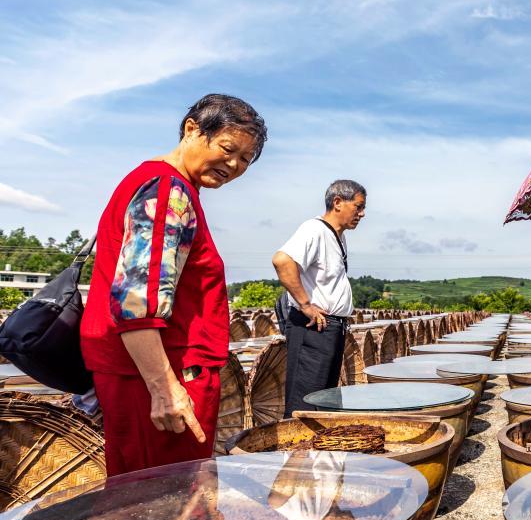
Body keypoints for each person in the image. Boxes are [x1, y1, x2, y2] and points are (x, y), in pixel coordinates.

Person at [81, 94, 267, 476]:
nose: (233, 166)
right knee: (170, 505)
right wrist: (164, 389)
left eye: (245, 160)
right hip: (164, 375)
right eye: (228, 149)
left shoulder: (169, 186)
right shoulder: (167, 191)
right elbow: (137, 301)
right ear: (192, 129)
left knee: (150, 500)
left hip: (153, 374)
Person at [273, 180, 366, 416]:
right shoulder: (314, 229)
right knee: (305, 402)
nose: (362, 214)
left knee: (323, 400)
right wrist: (305, 304)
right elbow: (283, 261)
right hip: (313, 328)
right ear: (337, 203)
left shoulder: (337, 236)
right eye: (358, 207)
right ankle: (296, 451)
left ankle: (317, 451)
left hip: (330, 328)